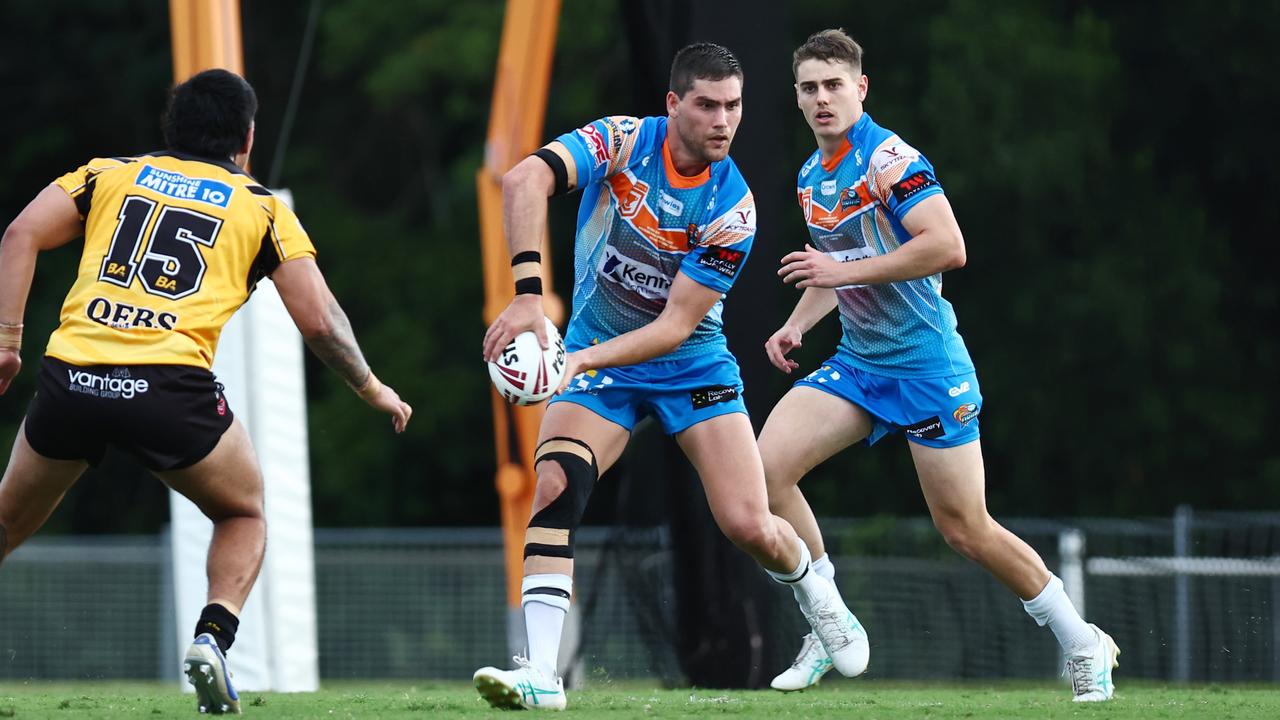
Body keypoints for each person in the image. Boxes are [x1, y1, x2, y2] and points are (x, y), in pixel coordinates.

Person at [0, 69, 411, 715]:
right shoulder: (262, 206)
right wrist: (371, 387)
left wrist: (7, 342)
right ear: (246, 138)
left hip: (71, 375)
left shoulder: (108, 173)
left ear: (172, 126)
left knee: (6, 520)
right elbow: (320, 321)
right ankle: (212, 641)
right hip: (169, 389)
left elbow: (20, 233)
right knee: (243, 512)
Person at [474, 42, 867, 711]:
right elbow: (522, 181)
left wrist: (573, 360)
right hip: (600, 354)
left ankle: (821, 600)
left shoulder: (732, 207)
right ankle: (543, 676)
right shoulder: (622, 142)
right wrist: (528, 296)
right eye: (708, 105)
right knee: (555, 485)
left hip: (689, 365)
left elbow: (673, 329)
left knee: (748, 523)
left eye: (734, 106)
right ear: (673, 104)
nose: (723, 120)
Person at [758, 29, 1119, 701]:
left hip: (927, 368)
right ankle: (828, 621)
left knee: (965, 529)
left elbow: (947, 245)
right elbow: (834, 267)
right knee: (765, 473)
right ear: (798, 98)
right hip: (860, 367)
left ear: (860, 88)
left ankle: (1082, 640)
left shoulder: (891, 159)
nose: (821, 98)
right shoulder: (812, 175)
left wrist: (840, 268)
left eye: (834, 85)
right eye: (809, 88)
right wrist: (795, 323)